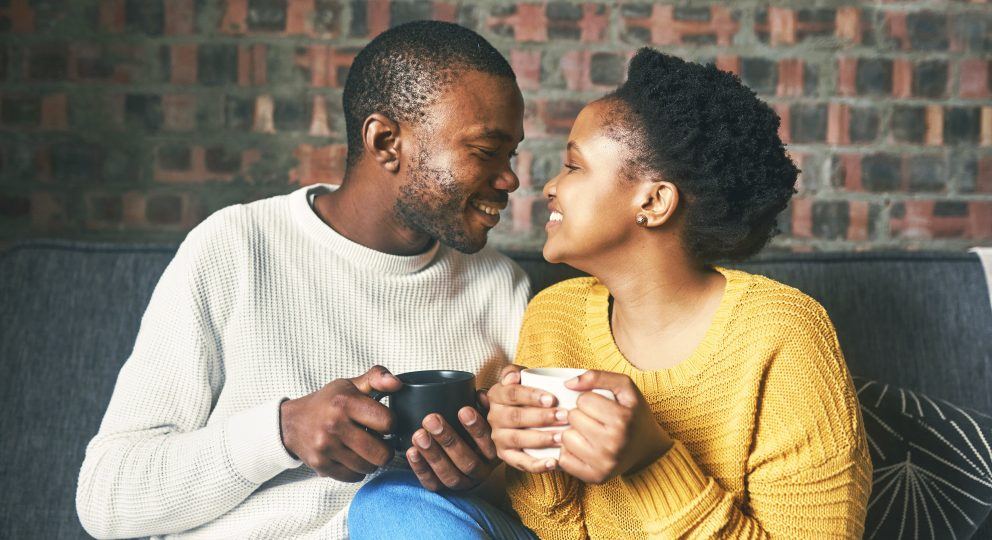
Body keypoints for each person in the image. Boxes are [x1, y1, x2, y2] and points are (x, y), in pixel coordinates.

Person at [351, 49, 872, 538]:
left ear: (654, 200)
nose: (548, 186)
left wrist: (653, 462)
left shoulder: (784, 335)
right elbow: (554, 530)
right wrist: (524, 457)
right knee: (389, 500)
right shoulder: (555, 316)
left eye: (574, 166)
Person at [76, 21, 529, 539]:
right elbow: (105, 498)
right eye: (485, 150)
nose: (511, 179)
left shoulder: (501, 287)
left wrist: (478, 479)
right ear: (385, 142)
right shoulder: (236, 247)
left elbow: (523, 496)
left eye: (511, 154)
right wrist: (282, 431)